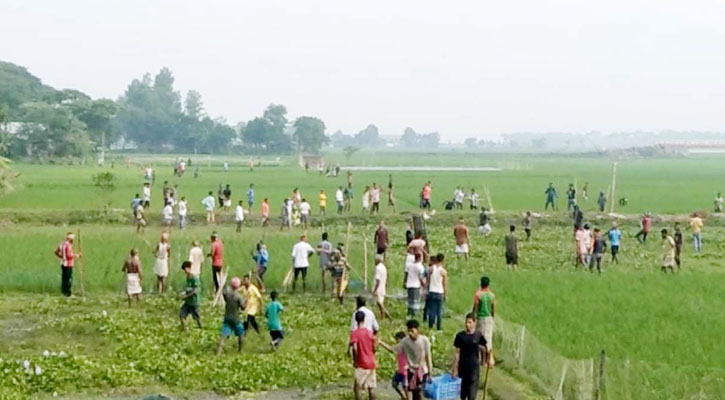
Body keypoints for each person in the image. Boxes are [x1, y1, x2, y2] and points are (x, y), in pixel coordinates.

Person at [452, 313, 487, 400]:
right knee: (463, 393)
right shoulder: (460, 336)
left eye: (469, 322)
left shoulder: (478, 335)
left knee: (471, 394)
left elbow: (485, 348)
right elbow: (457, 353)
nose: (467, 324)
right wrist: (455, 369)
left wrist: (486, 360)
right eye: (466, 322)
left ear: (474, 323)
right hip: (463, 366)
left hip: (474, 367)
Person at [398, 320, 432, 400]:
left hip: (422, 370)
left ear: (418, 330)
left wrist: (430, 373)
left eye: (412, 331)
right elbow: (395, 349)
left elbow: (428, 357)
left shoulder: (424, 340)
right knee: (414, 393)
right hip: (411, 371)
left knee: (419, 391)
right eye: (409, 331)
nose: (410, 333)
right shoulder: (405, 341)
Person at [349, 311, 377, 400]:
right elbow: (374, 347)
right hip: (371, 362)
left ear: (356, 320)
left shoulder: (355, 333)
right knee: (371, 388)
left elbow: (355, 348)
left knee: (357, 388)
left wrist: (355, 360)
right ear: (364, 319)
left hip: (361, 363)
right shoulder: (369, 333)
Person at [217, 276, 245, 355]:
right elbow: (243, 307)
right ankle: (240, 351)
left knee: (224, 336)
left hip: (227, 317)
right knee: (241, 334)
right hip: (235, 318)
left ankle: (218, 353)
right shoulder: (239, 296)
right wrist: (245, 301)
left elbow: (224, 294)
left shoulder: (227, 294)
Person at [377, 332, 408, 400]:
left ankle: (407, 398)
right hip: (400, 370)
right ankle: (403, 397)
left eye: (397, 339)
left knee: (405, 387)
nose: (396, 341)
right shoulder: (402, 346)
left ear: (399, 339)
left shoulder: (403, 345)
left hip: (406, 370)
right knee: (394, 383)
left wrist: (381, 342)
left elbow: (391, 349)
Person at [472, 276, 495, 366]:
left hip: (481, 317)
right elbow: (493, 308)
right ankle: (489, 360)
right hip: (489, 318)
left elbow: (476, 306)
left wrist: (473, 315)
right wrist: (492, 317)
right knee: (488, 339)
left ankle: (483, 359)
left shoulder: (478, 294)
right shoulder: (492, 295)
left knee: (480, 338)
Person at [55, 232, 81, 297]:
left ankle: (64, 292)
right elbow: (69, 255)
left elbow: (56, 252)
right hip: (68, 264)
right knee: (69, 279)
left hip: (63, 263)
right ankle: (68, 293)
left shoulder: (62, 244)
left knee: (64, 279)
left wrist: (61, 257)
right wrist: (77, 255)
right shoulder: (68, 245)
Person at [426, 254, 447, 331]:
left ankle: (430, 326)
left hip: (432, 291)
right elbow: (444, 284)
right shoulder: (443, 271)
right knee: (439, 311)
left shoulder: (431, 269)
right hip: (439, 292)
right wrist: (445, 294)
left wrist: (426, 289)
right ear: (442, 260)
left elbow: (428, 280)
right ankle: (439, 328)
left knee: (432, 310)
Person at [179, 261, 202, 330]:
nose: (185, 271)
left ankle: (201, 327)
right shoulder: (188, 277)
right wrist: (183, 293)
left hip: (194, 301)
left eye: (185, 269)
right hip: (188, 302)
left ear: (189, 268)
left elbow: (195, 290)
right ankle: (185, 330)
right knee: (181, 315)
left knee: (196, 317)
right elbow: (188, 288)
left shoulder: (194, 278)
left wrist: (186, 296)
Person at [372, 254, 391, 320]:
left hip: (379, 288)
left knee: (380, 303)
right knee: (380, 302)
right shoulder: (383, 267)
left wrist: (375, 290)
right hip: (382, 286)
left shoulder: (378, 268)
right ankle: (386, 316)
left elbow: (378, 280)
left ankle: (384, 316)